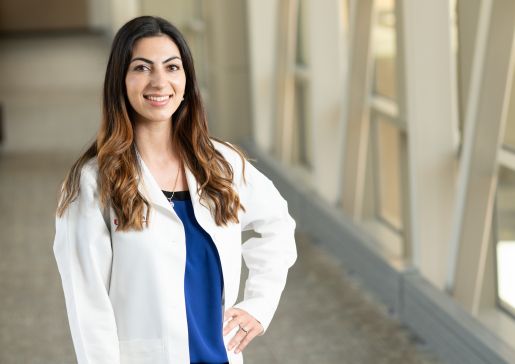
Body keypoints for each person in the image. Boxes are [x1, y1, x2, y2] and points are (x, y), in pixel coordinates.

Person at [52, 15, 297, 364]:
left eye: (172, 67)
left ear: (186, 80)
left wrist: (258, 305)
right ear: (120, 80)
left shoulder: (222, 163)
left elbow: (277, 225)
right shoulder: (91, 183)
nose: (159, 82)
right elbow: (87, 306)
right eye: (141, 68)